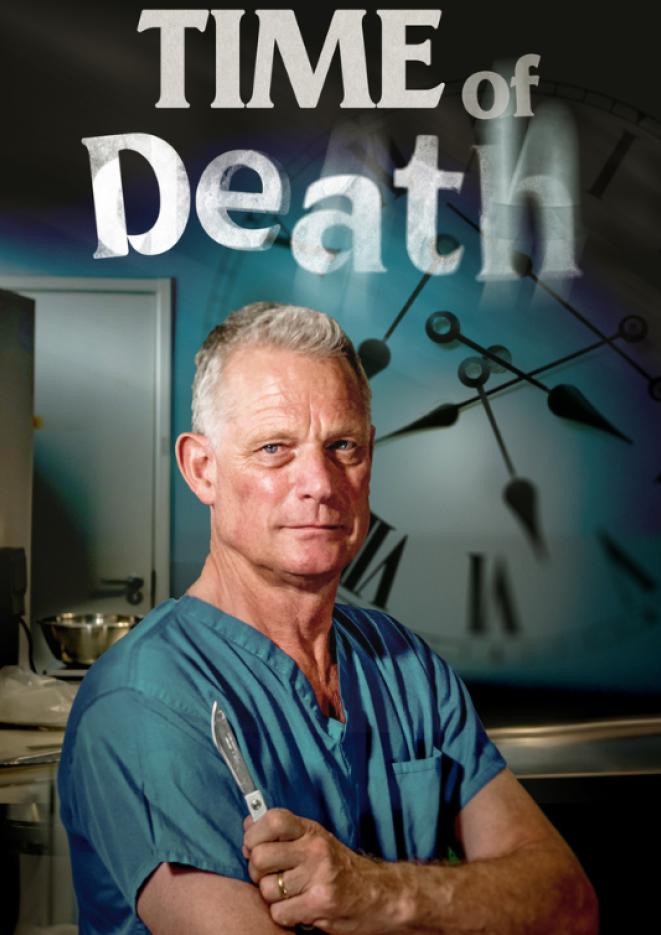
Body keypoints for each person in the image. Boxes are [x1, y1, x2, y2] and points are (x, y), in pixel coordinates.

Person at [58, 302, 598, 935]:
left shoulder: (402, 665)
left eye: (342, 445)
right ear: (202, 469)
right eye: (274, 449)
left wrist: (376, 892)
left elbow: (567, 904)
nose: (318, 482)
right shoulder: (145, 702)